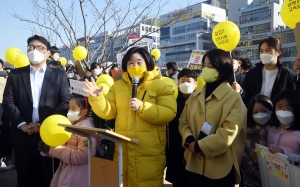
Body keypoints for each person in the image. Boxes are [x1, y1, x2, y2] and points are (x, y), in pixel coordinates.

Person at [84, 47, 177, 187]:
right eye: (130, 63)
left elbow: (169, 113)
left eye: (139, 62)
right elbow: (108, 112)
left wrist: (143, 107)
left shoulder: (160, 86)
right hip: (123, 152)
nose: (135, 66)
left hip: (149, 152)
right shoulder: (117, 87)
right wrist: (97, 98)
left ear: (148, 63)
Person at [2, 35, 70, 187]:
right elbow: (8, 102)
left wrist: (45, 125)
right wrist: (22, 124)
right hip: (22, 136)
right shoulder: (16, 75)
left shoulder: (59, 75)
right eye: (31, 47)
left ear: (48, 53)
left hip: (49, 137)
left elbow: (65, 101)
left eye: (40, 47)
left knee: (49, 178)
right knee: (25, 179)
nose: (35, 50)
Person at [179, 48, 247, 187]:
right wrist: (190, 139)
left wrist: (201, 146)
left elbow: (229, 132)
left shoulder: (233, 98)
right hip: (194, 163)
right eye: (204, 66)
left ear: (222, 69)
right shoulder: (195, 96)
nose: (205, 69)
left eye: (210, 66)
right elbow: (183, 121)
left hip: (220, 166)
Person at [38, 94, 97, 187]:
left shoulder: (87, 131)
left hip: (79, 176)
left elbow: (81, 156)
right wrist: (48, 149)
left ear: (84, 111)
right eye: (69, 108)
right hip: (67, 171)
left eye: (74, 109)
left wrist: (53, 149)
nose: (70, 111)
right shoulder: (70, 126)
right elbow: (63, 149)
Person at [165, 68, 198, 187]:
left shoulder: (200, 99)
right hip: (176, 142)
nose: (185, 84)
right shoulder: (172, 99)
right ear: (177, 83)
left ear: (196, 83)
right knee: (178, 177)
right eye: (182, 81)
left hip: (193, 141)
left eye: (188, 81)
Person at [243, 37, 296, 105]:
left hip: (277, 114)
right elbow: (245, 97)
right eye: (261, 51)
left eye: (268, 50)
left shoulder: (288, 75)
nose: (264, 54)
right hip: (255, 114)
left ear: (278, 52)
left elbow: (293, 99)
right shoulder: (252, 73)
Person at [240, 94, 273, 187]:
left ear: (271, 111)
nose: (260, 115)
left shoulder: (277, 131)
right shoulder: (246, 131)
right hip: (251, 181)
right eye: (256, 112)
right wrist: (253, 171)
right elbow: (242, 154)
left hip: (274, 179)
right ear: (251, 113)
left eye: (264, 111)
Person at [267, 89, 300, 156]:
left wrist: (284, 154)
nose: (283, 111)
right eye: (279, 107)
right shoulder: (272, 129)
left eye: (289, 108)